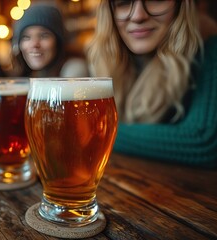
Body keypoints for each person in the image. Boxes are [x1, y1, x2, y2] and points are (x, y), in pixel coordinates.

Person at [87, 0, 217, 167]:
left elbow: (203, 140)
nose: (138, 15)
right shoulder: (109, 62)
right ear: (110, 13)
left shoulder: (211, 51)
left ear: (181, 5)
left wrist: (97, 132)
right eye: (123, 3)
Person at [11, 3, 89, 77]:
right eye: (26, 37)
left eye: (43, 36)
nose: (34, 44)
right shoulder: (36, 73)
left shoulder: (74, 69)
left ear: (58, 41)